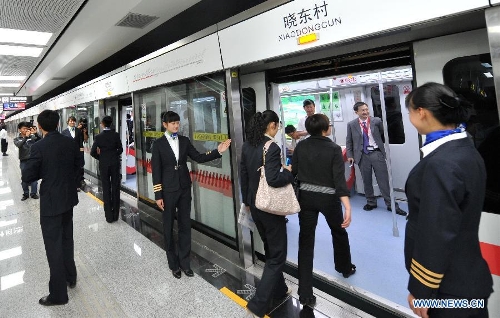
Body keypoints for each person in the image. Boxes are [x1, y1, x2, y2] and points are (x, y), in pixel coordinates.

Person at [404, 82, 493, 318]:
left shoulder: (440, 164)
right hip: (470, 281)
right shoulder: (467, 149)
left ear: (421, 112)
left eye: (410, 111)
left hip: (448, 293)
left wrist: (421, 290)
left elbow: (435, 232)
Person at [151, 111, 231, 279]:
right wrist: (158, 195)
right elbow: (156, 171)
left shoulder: (184, 141)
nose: (176, 126)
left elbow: (199, 157)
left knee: (185, 225)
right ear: (165, 125)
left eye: (178, 123)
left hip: (184, 188)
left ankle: (185, 263)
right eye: (172, 123)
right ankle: (173, 264)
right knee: (168, 227)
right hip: (167, 190)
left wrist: (218, 151)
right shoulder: (158, 144)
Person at [292, 114, 355, 307]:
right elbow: (338, 179)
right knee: (338, 231)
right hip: (329, 200)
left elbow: (294, 171)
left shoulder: (300, 146)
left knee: (306, 241)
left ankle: (305, 293)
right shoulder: (334, 149)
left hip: (306, 199)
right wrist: (347, 205)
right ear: (324, 129)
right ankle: (344, 267)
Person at [21, 110, 81, 306]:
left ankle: (58, 295)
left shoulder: (38, 146)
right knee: (66, 239)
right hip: (68, 199)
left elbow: (28, 177)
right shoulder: (69, 142)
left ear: (39, 126)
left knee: (53, 246)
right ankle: (70, 277)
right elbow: (77, 166)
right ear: (58, 124)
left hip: (51, 203)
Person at [240, 110, 294, 318]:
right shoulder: (271, 147)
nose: (279, 129)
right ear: (271, 125)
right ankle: (258, 304)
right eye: (278, 125)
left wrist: (247, 202)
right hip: (270, 209)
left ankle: (280, 289)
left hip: (255, 206)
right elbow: (273, 179)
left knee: (272, 250)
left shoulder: (247, 145)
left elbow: (243, 175)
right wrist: (288, 174)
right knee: (278, 254)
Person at [346, 102, 407, 216]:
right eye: (362, 110)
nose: (365, 112)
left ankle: (391, 204)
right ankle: (371, 202)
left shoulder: (377, 121)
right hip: (362, 155)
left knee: (383, 180)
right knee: (366, 180)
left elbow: (385, 134)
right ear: (356, 112)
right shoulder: (351, 124)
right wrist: (350, 155)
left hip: (376, 153)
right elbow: (349, 141)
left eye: (366, 109)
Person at [91, 116, 123, 223]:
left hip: (104, 164)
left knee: (106, 188)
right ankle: (115, 215)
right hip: (114, 163)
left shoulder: (98, 137)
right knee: (115, 188)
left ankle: (109, 217)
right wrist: (114, 155)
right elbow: (121, 149)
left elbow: (92, 152)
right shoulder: (116, 135)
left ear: (102, 124)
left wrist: (101, 157)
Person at [14, 122, 39, 200]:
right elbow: (19, 145)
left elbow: (40, 141)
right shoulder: (17, 139)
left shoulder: (32, 137)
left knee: (34, 177)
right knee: (24, 178)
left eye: (27, 128)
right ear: (19, 130)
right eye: (24, 128)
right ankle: (25, 193)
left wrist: (36, 134)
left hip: (33, 160)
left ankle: (33, 193)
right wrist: (25, 137)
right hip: (23, 161)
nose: (25, 130)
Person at [62, 116, 85, 190]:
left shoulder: (78, 131)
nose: (72, 122)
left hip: (77, 154)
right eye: (70, 121)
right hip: (68, 154)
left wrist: (82, 154)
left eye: (73, 121)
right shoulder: (64, 132)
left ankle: (77, 185)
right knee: (69, 169)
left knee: (77, 169)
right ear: (68, 122)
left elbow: (81, 143)